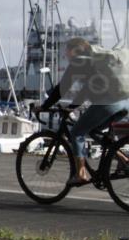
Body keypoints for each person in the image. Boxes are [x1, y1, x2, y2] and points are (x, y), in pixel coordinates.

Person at [39, 37, 129, 184]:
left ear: (74, 51)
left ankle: (81, 173)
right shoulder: (98, 58)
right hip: (125, 102)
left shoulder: (79, 62)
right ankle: (124, 160)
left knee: (77, 132)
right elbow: (87, 89)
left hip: (108, 104)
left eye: (67, 52)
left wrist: (44, 107)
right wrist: (72, 107)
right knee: (94, 131)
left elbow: (62, 88)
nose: (65, 55)